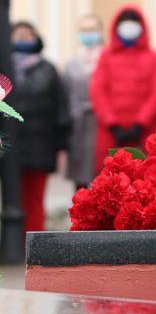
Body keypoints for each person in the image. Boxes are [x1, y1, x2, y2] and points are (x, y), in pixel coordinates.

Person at [10, 21, 70, 235]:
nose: (23, 38)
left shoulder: (48, 69)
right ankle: (11, 244)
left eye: (28, 34)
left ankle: (33, 243)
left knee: (35, 199)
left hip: (40, 146)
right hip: (10, 148)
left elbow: (61, 108)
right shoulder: (5, 68)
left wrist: (61, 145)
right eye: (19, 34)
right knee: (11, 201)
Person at [90, 6, 156, 170]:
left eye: (133, 21)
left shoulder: (153, 57)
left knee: (148, 178)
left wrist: (140, 124)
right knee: (111, 179)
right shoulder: (106, 56)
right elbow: (98, 91)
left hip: (145, 133)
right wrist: (113, 124)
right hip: (111, 134)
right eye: (125, 21)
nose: (129, 25)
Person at [63, 14, 105, 190]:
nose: (88, 34)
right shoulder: (71, 63)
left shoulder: (106, 59)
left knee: (102, 172)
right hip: (78, 124)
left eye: (92, 29)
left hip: (102, 123)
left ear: (100, 32)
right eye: (84, 30)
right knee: (79, 176)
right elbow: (66, 93)